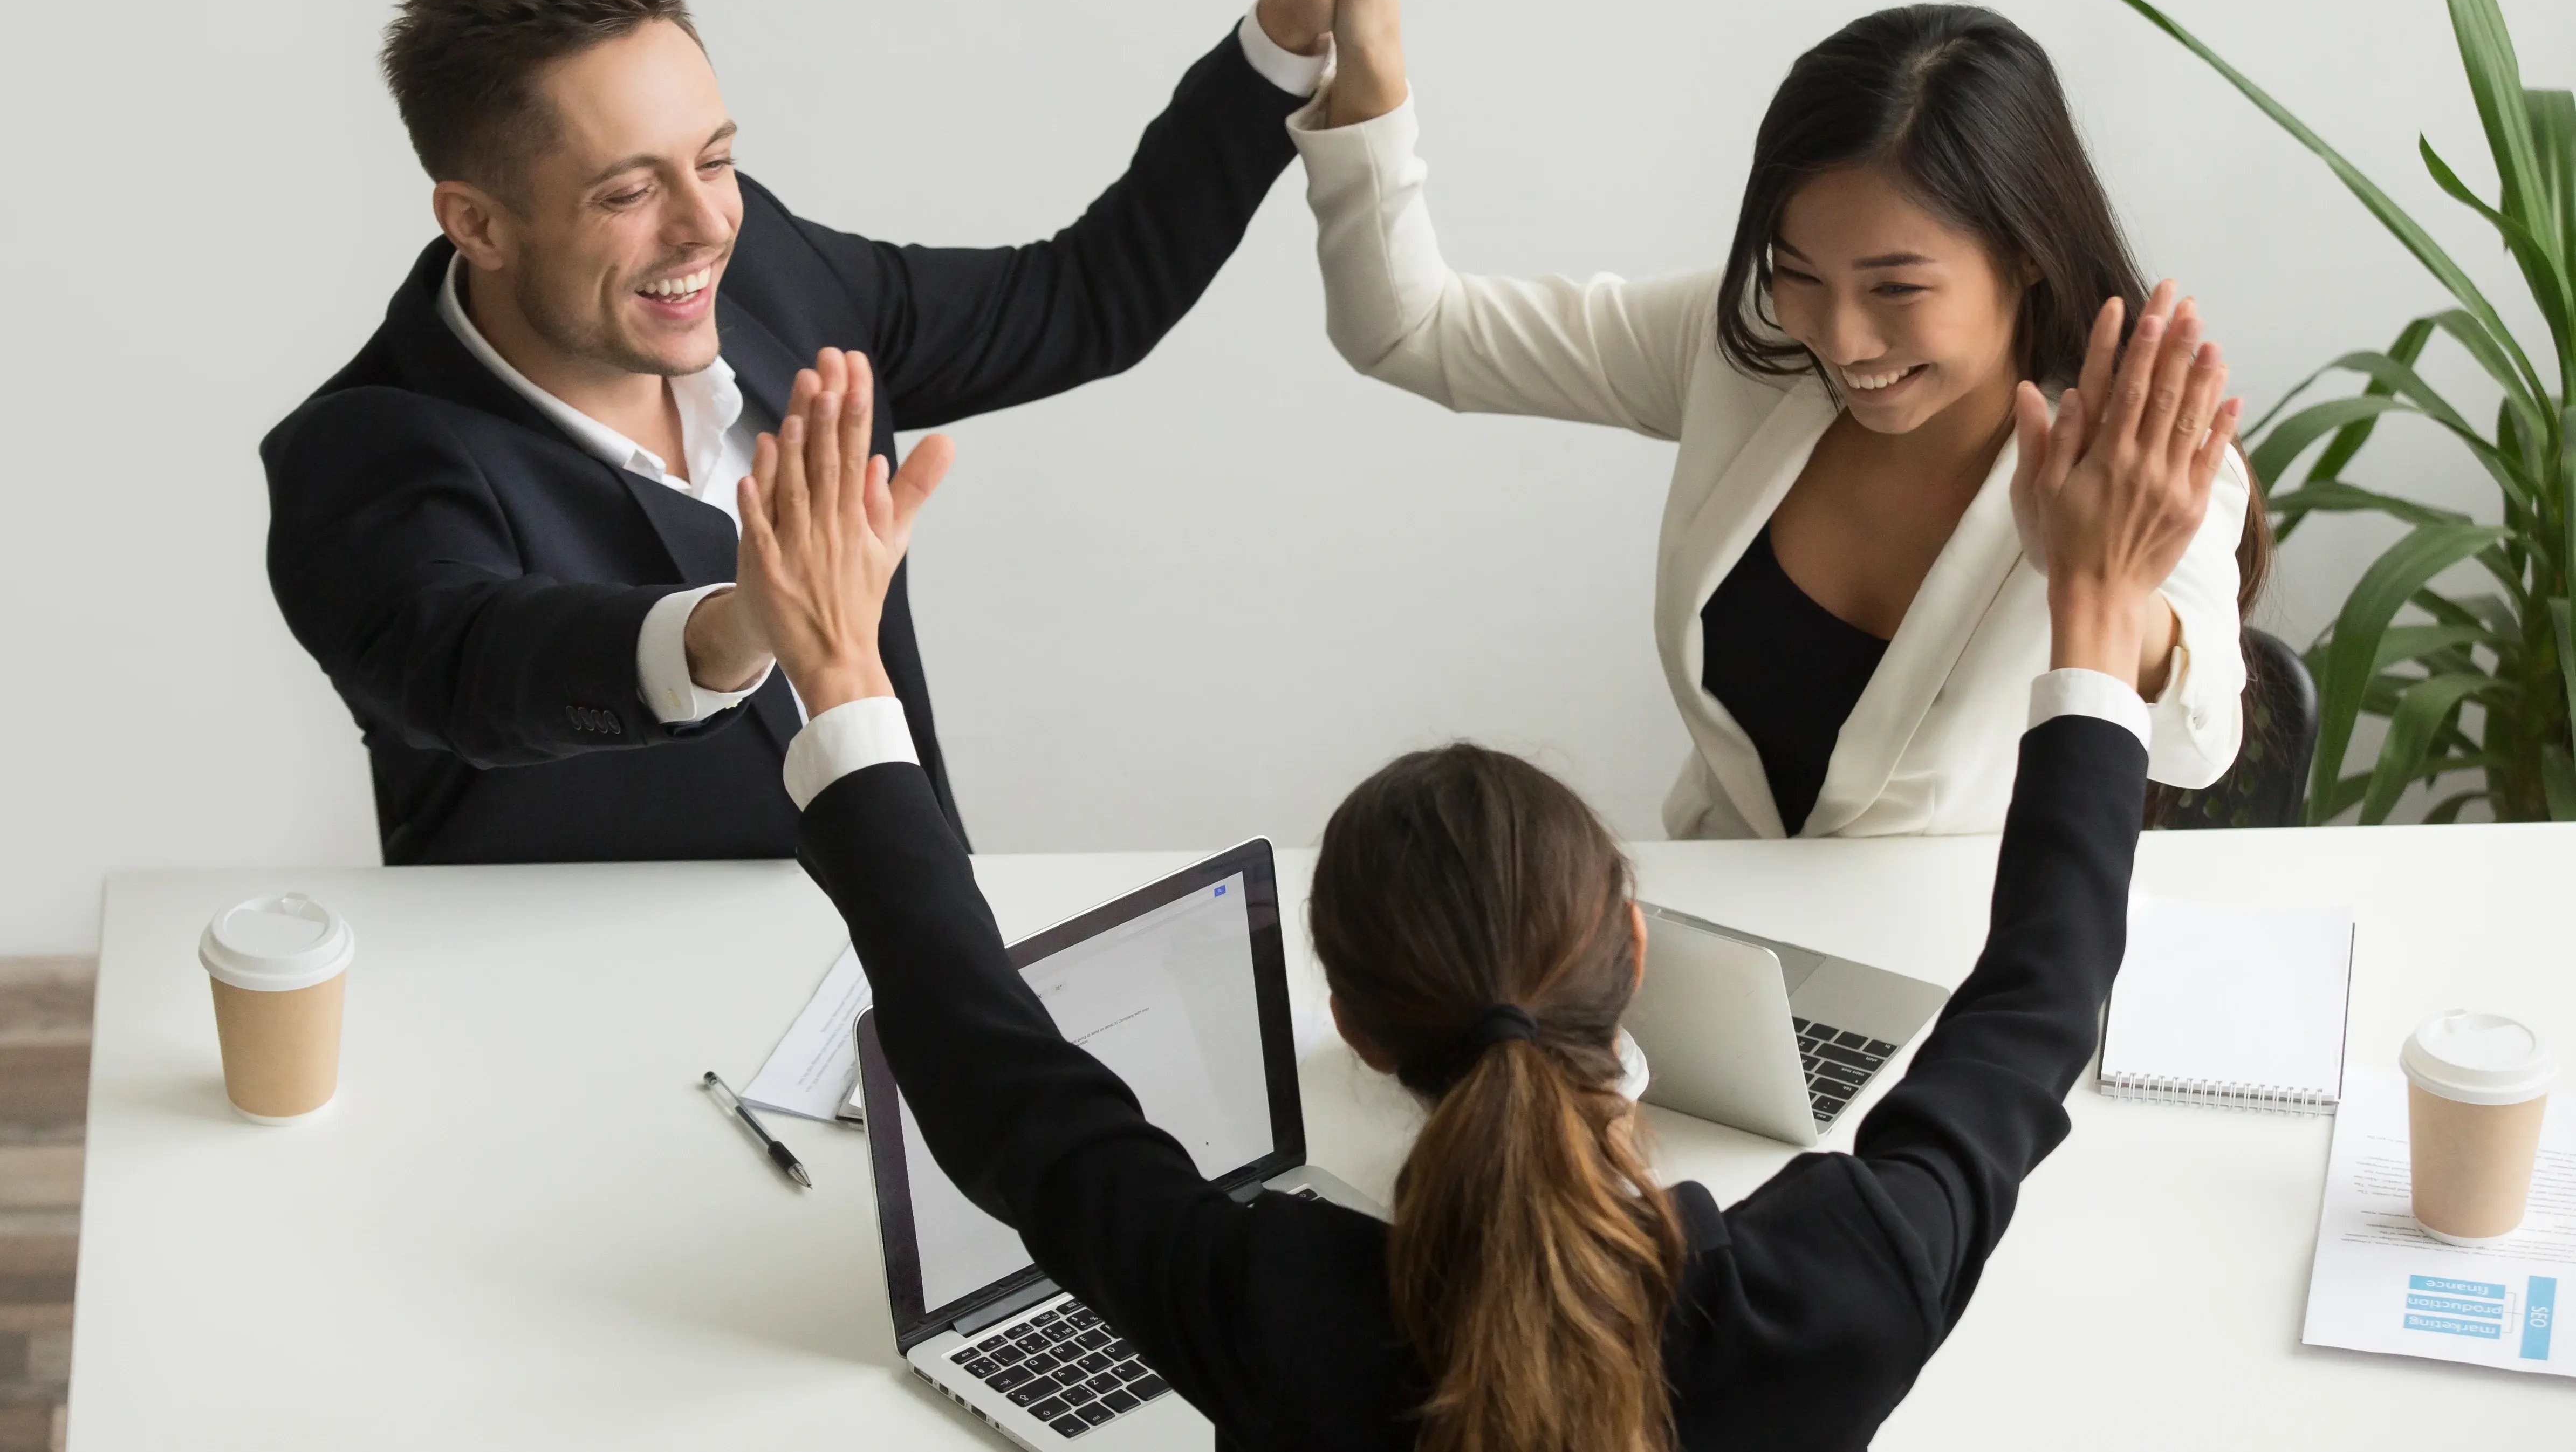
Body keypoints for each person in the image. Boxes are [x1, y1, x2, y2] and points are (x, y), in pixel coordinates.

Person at [735, 272, 2236, 1449]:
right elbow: (2034, 1006)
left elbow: (998, 1082)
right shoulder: (1828, 1287)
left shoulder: (1273, 1308)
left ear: (1354, 1023)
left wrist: (847, 676)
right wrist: (2094, 616)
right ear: (1629, 958)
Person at [261, 0, 1386, 866]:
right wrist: (738, 624)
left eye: (715, 159)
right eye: (630, 191)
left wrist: (1285, 43)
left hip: (909, 988)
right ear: (479, 225)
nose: (705, 225)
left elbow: (1085, 298)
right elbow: (477, 665)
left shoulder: (775, 278)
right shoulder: (360, 461)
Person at [1284, 0, 2269, 839]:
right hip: (1721, 952)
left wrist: (2096, 579)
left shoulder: (2132, 454)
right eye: (1798, 272)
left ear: (2026, 253)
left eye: (1897, 288)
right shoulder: (1740, 345)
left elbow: (2197, 741)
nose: (1841, 340)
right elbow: (1409, 330)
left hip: (1972, 974)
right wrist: (1366, 60)